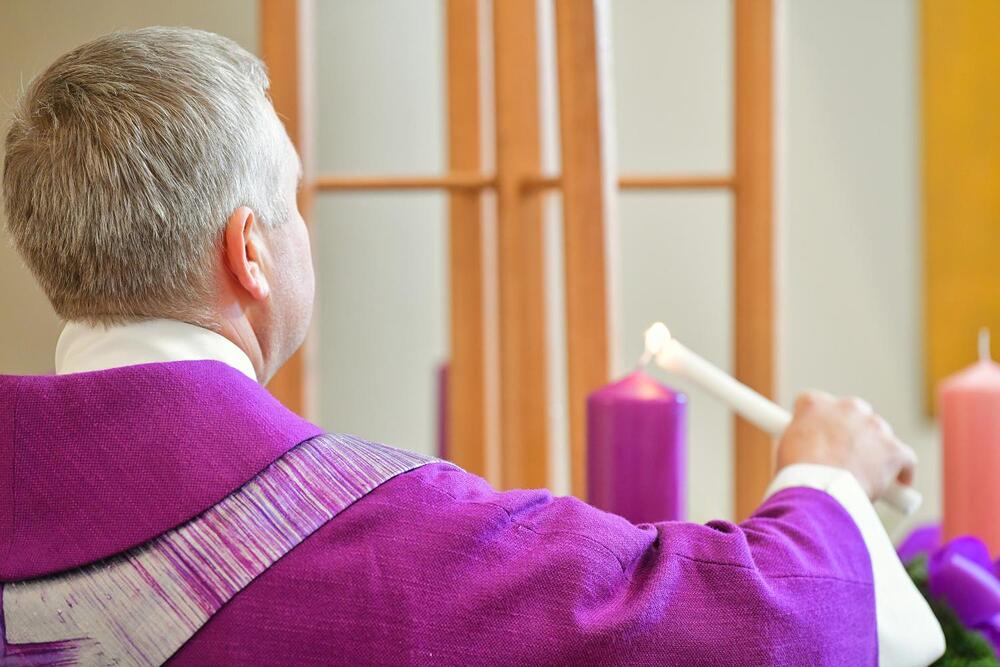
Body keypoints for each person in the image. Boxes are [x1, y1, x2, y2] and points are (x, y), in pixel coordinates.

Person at [0, 27, 943, 666]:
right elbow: (773, 626)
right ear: (249, 251)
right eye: (290, 200)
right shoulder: (376, 536)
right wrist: (825, 475)